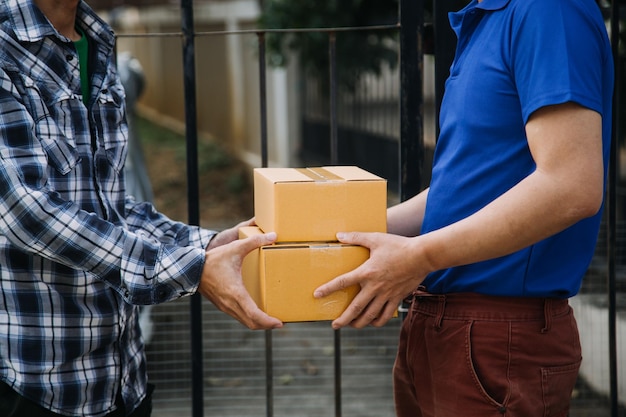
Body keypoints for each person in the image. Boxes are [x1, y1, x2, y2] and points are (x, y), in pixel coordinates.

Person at [314, 0, 614, 416]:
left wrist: (420, 254)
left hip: (497, 337)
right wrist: (349, 235)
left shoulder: (547, 10)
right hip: (443, 328)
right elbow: (460, 190)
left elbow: (571, 185)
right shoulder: (488, 17)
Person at [0, 0, 282, 416]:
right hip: (36, 385)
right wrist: (191, 270)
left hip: (123, 380)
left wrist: (207, 245)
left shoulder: (95, 42)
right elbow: (26, 212)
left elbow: (111, 203)